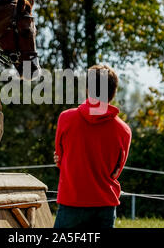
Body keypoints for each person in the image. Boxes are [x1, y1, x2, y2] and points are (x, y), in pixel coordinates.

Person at [53, 64, 132, 228]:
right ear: (113, 92)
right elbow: (116, 171)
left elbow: (60, 160)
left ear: (88, 89)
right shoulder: (124, 130)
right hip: (105, 204)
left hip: (71, 201)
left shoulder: (65, 118)